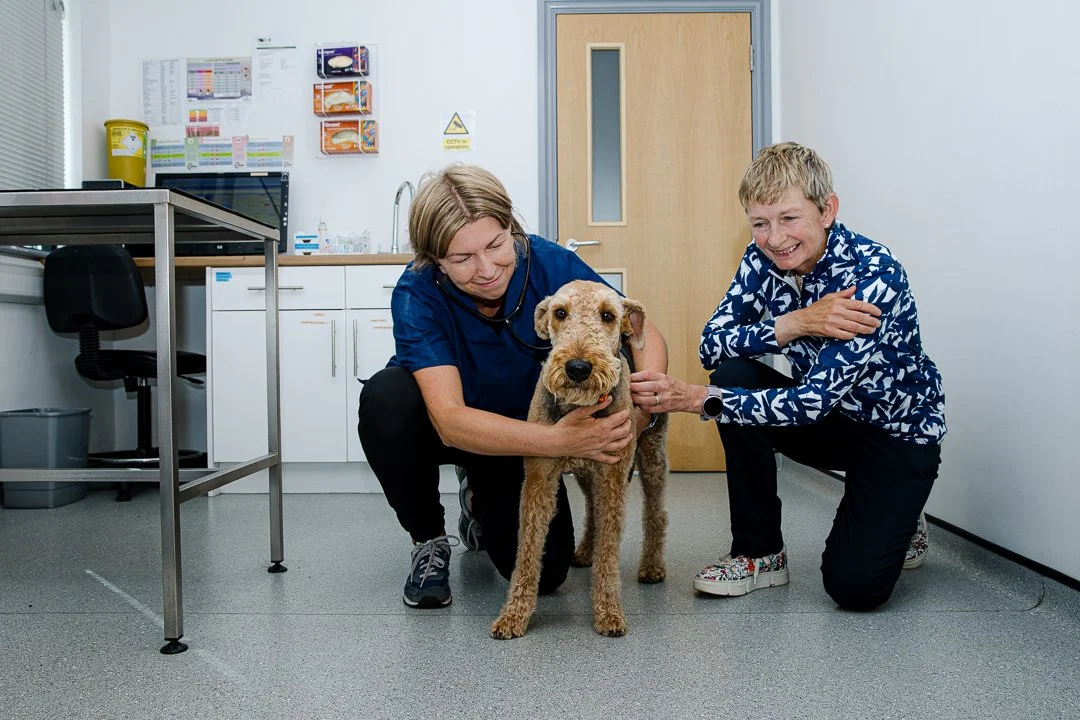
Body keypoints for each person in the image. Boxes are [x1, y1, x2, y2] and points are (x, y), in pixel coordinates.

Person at [630, 142, 945, 611]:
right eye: (760, 223)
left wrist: (696, 398)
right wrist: (796, 322)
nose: (775, 238)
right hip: (827, 423)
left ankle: (902, 514)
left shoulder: (873, 275)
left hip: (893, 434)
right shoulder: (762, 260)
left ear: (827, 210)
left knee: (854, 588)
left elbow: (809, 402)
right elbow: (711, 344)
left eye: (789, 218)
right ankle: (759, 555)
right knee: (735, 373)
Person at [358, 164, 668, 608]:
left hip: (514, 435)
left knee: (548, 574)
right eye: (462, 258)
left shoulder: (548, 263)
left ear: (511, 228)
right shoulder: (417, 293)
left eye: (495, 245)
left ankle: (479, 501)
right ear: (436, 261)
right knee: (385, 401)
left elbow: (643, 333)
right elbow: (450, 421)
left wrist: (636, 416)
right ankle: (428, 539)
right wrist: (561, 440)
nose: (486, 270)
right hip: (453, 425)